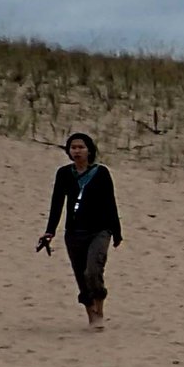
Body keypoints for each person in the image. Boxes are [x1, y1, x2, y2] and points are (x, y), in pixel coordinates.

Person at [36, 133, 122, 328]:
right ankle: (90, 315)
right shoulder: (64, 174)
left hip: (100, 229)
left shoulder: (101, 173)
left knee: (93, 270)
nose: (77, 151)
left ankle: (99, 310)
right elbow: (57, 203)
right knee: (80, 274)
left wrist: (116, 231)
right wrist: (50, 231)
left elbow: (110, 203)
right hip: (74, 231)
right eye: (73, 147)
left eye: (81, 147)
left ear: (89, 150)